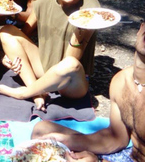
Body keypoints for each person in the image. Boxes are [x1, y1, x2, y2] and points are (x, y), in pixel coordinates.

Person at [0, 0, 100, 111]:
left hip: (71, 81)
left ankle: (26, 93)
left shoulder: (90, 6)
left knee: (69, 64)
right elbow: (24, 33)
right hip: (45, 67)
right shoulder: (43, 2)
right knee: (7, 30)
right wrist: (9, 54)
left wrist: (81, 29)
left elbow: (70, 61)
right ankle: (37, 92)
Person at [32, 21, 145, 162]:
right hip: (128, 155)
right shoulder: (121, 80)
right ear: (140, 28)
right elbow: (117, 138)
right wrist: (67, 141)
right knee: (43, 131)